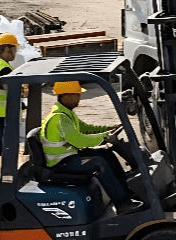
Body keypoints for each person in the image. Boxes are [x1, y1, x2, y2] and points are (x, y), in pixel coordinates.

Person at [41, 81, 145, 214]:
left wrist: (108, 129)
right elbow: (79, 141)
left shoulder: (66, 113)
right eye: (77, 95)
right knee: (98, 163)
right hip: (60, 163)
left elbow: (86, 129)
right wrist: (103, 137)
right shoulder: (60, 118)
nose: (80, 98)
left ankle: (127, 193)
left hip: (68, 156)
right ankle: (122, 204)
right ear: (67, 96)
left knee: (106, 154)